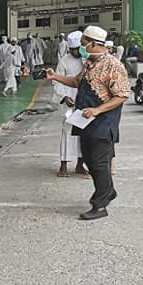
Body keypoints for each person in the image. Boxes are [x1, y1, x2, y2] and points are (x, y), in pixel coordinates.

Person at [46, 25, 130, 221]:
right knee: (90, 161)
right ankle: (108, 191)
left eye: (84, 44)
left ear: (93, 44)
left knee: (100, 163)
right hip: (85, 120)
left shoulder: (113, 65)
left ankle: (100, 205)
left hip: (103, 122)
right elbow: (77, 82)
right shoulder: (89, 63)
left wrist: (98, 110)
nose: (82, 47)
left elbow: (122, 95)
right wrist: (55, 76)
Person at [53, 31, 88, 179]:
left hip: (84, 101)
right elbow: (56, 81)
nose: (75, 52)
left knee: (83, 134)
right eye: (73, 50)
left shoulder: (87, 60)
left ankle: (80, 164)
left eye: (78, 49)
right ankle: (64, 165)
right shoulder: (64, 61)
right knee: (67, 132)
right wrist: (64, 97)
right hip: (69, 102)